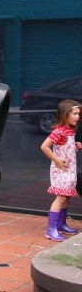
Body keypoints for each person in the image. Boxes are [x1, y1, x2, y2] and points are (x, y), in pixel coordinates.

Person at [40, 99, 82, 241]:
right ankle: (51, 230)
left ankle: (61, 224)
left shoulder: (69, 131)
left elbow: (64, 148)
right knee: (60, 198)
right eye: (75, 113)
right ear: (65, 114)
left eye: (79, 114)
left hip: (69, 170)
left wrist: (75, 145)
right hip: (61, 170)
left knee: (66, 197)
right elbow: (44, 146)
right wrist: (56, 160)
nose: (78, 116)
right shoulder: (59, 131)